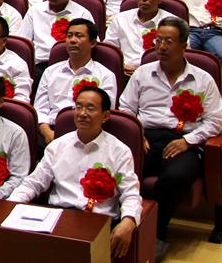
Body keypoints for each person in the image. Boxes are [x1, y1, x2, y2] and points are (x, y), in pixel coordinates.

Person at [119, 18, 222, 257]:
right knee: (122, 169)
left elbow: (215, 121)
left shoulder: (202, 79)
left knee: (175, 177)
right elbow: (126, 108)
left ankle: (156, 235)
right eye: (158, 40)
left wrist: (188, 141)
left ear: (184, 45)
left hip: (184, 141)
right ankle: (120, 226)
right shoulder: (142, 74)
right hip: (147, 137)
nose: (162, 47)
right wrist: (136, 133)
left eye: (169, 41)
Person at [10, 86, 140, 259]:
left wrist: (129, 220)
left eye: (90, 108)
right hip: (58, 219)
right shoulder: (58, 146)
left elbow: (131, 194)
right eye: (78, 107)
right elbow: (33, 183)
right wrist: (11, 204)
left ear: (105, 116)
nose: (82, 113)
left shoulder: (119, 151)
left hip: (98, 222)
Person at [34, 19, 118, 144]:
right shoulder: (50, 72)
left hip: (88, 133)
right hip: (52, 131)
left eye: (79, 36)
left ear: (92, 43)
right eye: (69, 36)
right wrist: (47, 132)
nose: (72, 40)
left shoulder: (105, 75)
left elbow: (104, 113)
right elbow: (40, 108)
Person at [104, 0, 176, 74]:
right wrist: (120, 65)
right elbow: (109, 48)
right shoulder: (120, 19)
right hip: (124, 73)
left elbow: (179, 54)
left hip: (158, 74)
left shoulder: (172, 24)